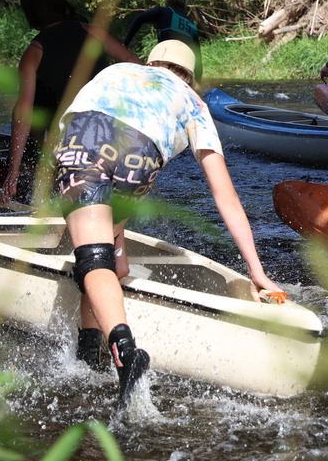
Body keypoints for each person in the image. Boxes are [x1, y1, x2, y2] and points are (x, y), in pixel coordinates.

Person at [55, 39, 284, 410]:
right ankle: (87, 352)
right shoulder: (194, 103)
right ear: (190, 76)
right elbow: (225, 196)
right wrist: (256, 271)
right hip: (140, 158)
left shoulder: (116, 70)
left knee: (91, 257)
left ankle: (125, 352)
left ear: (152, 62)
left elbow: (74, 120)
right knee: (112, 260)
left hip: (88, 136)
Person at [1, 0, 139, 205]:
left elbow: (23, 114)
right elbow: (134, 63)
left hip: (71, 137)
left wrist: (13, 170)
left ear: (30, 13)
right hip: (110, 128)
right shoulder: (93, 31)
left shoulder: (35, 50)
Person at [123, 0, 203, 80]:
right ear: (183, 7)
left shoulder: (163, 10)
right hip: (186, 66)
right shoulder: (191, 24)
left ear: (167, 3)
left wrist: (125, 44)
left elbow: (139, 19)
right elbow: (198, 55)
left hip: (167, 59)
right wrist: (198, 80)